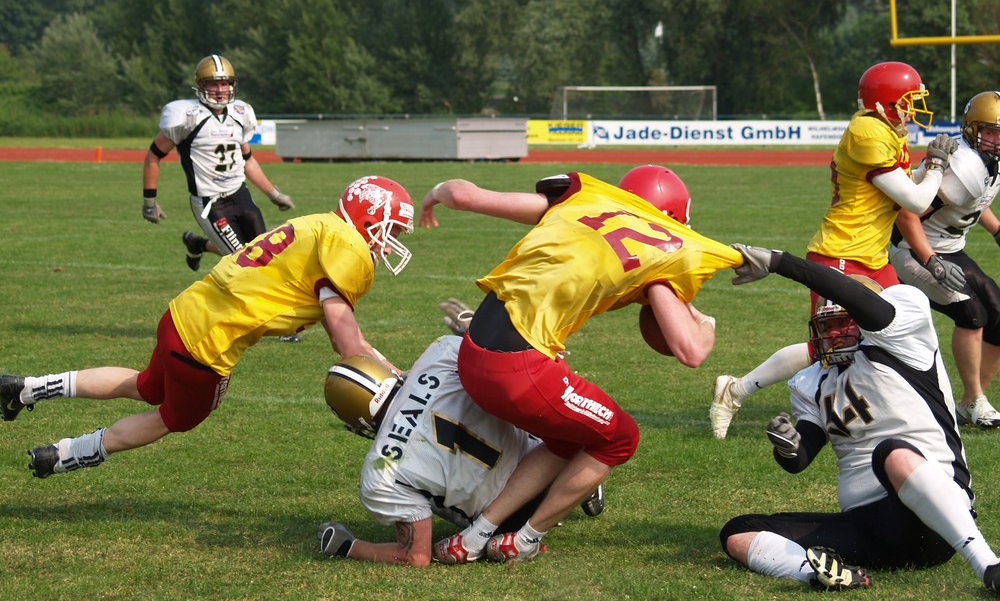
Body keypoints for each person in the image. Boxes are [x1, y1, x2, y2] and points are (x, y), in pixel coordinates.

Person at [418, 165, 742, 563]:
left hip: (473, 356)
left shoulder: (579, 206)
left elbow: (463, 195)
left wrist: (435, 194)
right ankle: (525, 538)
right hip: (517, 371)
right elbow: (692, 351)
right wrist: (706, 322)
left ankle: (476, 535)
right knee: (620, 437)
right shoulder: (659, 252)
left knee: (567, 438)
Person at [0, 175, 414, 479]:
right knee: (171, 418)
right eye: (392, 228)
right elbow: (347, 342)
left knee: (145, 385)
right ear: (371, 216)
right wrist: (398, 384)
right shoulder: (349, 246)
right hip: (208, 347)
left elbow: (342, 333)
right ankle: (63, 455)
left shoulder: (320, 224)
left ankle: (30, 386)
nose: (391, 239)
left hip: (183, 312)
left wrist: (390, 370)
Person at [720, 244, 1000, 594]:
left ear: (863, 320)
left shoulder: (903, 338)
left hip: (937, 521)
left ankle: (988, 564)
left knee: (891, 453)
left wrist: (779, 262)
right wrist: (789, 446)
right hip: (870, 531)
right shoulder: (813, 380)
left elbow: (854, 296)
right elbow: (801, 458)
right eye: (827, 326)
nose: (832, 335)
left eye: (841, 325)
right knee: (739, 532)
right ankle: (816, 573)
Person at [710, 61, 958, 439]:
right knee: (828, 346)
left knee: (900, 331)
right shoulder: (867, 133)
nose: (912, 110)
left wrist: (930, 166)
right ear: (884, 104)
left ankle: (906, 408)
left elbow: (907, 186)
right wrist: (937, 166)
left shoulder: (886, 129)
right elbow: (916, 201)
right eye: (907, 102)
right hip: (842, 253)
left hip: (872, 257)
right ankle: (735, 389)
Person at [317, 299, 603, 567]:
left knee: (415, 480)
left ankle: (516, 519)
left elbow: (416, 557)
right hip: (549, 452)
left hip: (513, 519)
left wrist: (348, 546)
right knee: (505, 388)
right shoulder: (439, 355)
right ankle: (581, 477)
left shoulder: (379, 472)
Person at [890, 91, 1000, 428]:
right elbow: (905, 218)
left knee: (998, 312)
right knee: (972, 313)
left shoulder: (987, 162)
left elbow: (975, 201)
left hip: (950, 246)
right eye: (990, 132)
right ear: (971, 129)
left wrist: (996, 230)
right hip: (911, 249)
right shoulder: (964, 164)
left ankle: (970, 401)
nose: (997, 140)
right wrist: (932, 261)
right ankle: (975, 399)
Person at [141, 54, 296, 272]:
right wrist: (150, 201)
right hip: (211, 203)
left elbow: (248, 161)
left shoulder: (240, 114)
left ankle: (197, 243)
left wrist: (274, 194)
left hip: (240, 195)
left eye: (225, 83)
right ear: (201, 86)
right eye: (213, 83)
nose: (220, 89)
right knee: (245, 263)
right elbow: (153, 156)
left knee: (263, 253)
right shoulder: (188, 117)